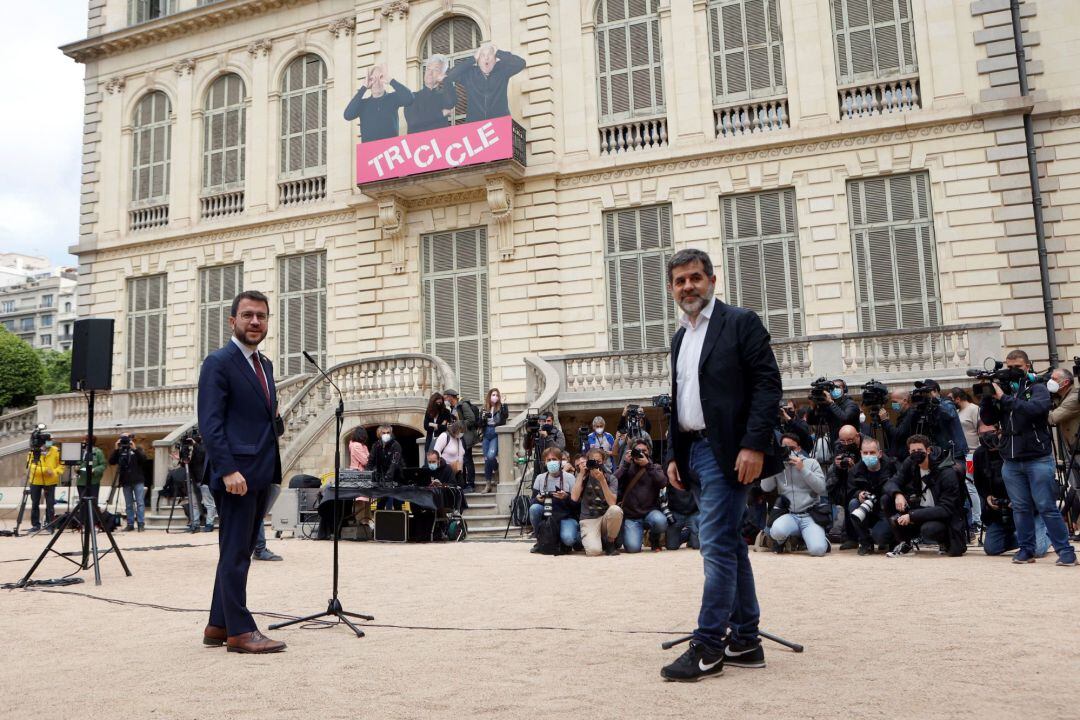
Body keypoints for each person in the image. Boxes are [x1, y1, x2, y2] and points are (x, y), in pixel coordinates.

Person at [660, 248, 783, 682]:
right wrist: (673, 453)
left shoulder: (740, 322)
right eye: (679, 281)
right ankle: (746, 640)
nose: (688, 286)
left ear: (712, 280)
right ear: (672, 288)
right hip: (692, 452)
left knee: (713, 544)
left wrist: (754, 445)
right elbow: (681, 402)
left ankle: (709, 645)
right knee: (728, 543)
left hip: (728, 451)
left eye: (695, 278)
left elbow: (768, 386)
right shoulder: (680, 336)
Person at [197, 289, 287, 653]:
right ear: (232, 320)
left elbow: (258, 418)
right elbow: (210, 423)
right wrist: (227, 470)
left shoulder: (263, 365)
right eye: (248, 315)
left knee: (239, 551)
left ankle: (218, 625)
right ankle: (240, 631)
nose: (255, 322)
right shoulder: (218, 362)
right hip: (237, 476)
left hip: (261, 472)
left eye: (261, 316)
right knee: (235, 553)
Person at [979, 349, 1076, 565]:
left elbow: (1036, 410)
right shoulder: (1002, 390)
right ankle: (1026, 549)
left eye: (1017, 367)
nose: (1012, 371)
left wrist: (1004, 398)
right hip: (1011, 460)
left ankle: (1065, 552)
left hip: (1038, 458)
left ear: (1027, 366)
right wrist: (987, 398)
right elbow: (988, 418)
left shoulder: (1038, 388)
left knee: (1046, 506)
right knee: (1020, 508)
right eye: (1009, 367)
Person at [883, 435, 967, 557]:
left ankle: (945, 542)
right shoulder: (910, 463)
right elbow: (891, 483)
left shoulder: (946, 471)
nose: (916, 454)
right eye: (913, 451)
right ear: (909, 452)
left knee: (929, 529)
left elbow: (946, 509)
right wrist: (898, 494)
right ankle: (905, 544)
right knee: (886, 499)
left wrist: (911, 516)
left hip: (941, 515)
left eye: (920, 451)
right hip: (919, 508)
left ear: (928, 450)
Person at [973, 424, 1050, 557]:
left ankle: (1049, 533)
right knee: (991, 548)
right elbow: (979, 482)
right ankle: (1022, 539)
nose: (986, 437)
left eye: (990, 432)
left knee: (1037, 550)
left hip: (1026, 508)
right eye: (981, 434)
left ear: (999, 431)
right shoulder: (979, 454)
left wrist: (1020, 500)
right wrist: (987, 496)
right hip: (1000, 511)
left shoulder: (1013, 449)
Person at [761, 434, 829, 556]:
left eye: (791, 448)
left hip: (810, 515)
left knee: (818, 550)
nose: (787, 451)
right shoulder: (778, 466)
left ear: (799, 448)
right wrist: (770, 466)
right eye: (783, 448)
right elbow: (765, 487)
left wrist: (803, 469)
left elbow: (821, 488)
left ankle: (819, 538)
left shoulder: (811, 463)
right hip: (790, 515)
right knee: (775, 532)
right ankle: (787, 539)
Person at [443, 42, 525, 123]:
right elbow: (450, 75)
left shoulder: (502, 70)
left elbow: (521, 63)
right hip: (475, 126)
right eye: (482, 55)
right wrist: (473, 59)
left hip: (500, 124)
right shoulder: (470, 74)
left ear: (495, 59)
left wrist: (498, 52)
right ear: (478, 60)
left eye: (490, 54)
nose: (486, 58)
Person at [615, 439, 668, 553]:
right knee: (633, 548)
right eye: (638, 451)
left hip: (650, 512)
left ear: (649, 452)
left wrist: (648, 466)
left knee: (661, 521)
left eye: (644, 450)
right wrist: (624, 465)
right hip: (632, 516)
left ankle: (654, 538)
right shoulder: (627, 467)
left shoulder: (655, 467)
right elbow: (614, 481)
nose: (641, 453)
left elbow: (663, 482)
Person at [845, 437, 896, 555]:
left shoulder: (891, 466)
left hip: (886, 509)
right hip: (867, 508)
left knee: (880, 537)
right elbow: (850, 491)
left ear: (880, 454)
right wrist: (859, 494)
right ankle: (865, 542)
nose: (868, 455)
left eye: (872, 452)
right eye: (865, 453)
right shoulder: (855, 470)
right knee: (853, 503)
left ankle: (893, 539)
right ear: (861, 454)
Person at [570, 447, 621, 556]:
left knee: (616, 510)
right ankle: (594, 539)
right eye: (592, 461)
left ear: (603, 462)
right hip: (589, 519)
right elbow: (574, 498)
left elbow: (612, 503)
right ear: (587, 461)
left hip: (605, 519)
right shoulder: (583, 477)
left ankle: (610, 542)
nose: (595, 464)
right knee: (594, 551)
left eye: (598, 461)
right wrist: (581, 474)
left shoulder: (611, 478)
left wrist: (602, 480)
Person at [343, 64, 414, 142]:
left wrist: (390, 80)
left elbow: (409, 98)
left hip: (390, 150)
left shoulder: (393, 98)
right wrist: (364, 87)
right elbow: (347, 115)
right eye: (373, 79)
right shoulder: (363, 104)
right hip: (369, 151)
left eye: (380, 77)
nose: (377, 82)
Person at [528, 447, 579, 552]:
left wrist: (566, 497)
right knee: (534, 508)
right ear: (545, 462)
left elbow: (577, 504)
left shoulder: (570, 478)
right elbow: (532, 501)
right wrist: (538, 500)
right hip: (547, 515)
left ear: (560, 461)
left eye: (554, 459)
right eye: (549, 460)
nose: (552, 462)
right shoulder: (540, 478)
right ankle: (540, 539)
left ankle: (571, 537)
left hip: (566, 516)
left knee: (568, 539)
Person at [949, 387, 983, 532]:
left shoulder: (974, 409)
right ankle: (970, 518)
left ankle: (978, 519)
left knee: (970, 485)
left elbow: (980, 430)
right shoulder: (957, 412)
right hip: (962, 454)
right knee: (964, 486)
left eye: (951, 399)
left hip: (973, 452)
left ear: (958, 398)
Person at [825, 424, 862, 548]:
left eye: (850, 440)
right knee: (847, 501)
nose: (846, 443)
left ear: (857, 436)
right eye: (843, 441)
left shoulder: (867, 443)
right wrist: (838, 465)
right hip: (845, 479)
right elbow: (836, 465)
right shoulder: (838, 445)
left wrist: (855, 466)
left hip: (864, 479)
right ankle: (851, 537)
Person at [404, 54, 458, 133]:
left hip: (439, 143)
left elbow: (450, 103)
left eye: (435, 70)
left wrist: (446, 79)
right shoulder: (412, 97)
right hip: (417, 144)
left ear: (442, 74)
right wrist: (440, 114)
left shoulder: (444, 95)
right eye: (428, 69)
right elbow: (413, 121)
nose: (430, 73)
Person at [805, 378, 860, 453]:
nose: (834, 389)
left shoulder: (851, 404)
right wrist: (812, 406)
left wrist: (831, 402)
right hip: (836, 446)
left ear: (844, 389)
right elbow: (811, 421)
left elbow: (845, 418)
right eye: (831, 388)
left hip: (851, 445)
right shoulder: (829, 406)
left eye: (837, 387)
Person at [109, 434, 148, 532]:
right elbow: (112, 462)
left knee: (140, 503)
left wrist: (134, 449)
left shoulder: (138, 449)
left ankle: (140, 523)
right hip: (125, 481)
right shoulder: (120, 450)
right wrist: (116, 449)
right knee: (129, 504)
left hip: (138, 480)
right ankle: (130, 524)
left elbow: (143, 460)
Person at [445, 389, 481, 489]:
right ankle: (463, 483)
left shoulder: (463, 405)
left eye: (446, 397)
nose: (445, 399)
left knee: (467, 460)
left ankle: (471, 484)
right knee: (461, 460)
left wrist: (458, 424)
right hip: (458, 437)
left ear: (451, 397)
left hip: (466, 436)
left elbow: (471, 419)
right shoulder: (453, 407)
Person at [27, 439, 61, 532]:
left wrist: (54, 472)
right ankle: (35, 525)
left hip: (50, 481)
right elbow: (32, 466)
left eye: (51, 440)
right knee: (35, 504)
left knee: (50, 504)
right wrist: (45, 470)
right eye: (48, 440)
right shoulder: (34, 451)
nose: (50, 442)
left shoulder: (56, 450)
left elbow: (61, 465)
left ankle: (49, 524)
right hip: (35, 481)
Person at [481, 387, 509, 493]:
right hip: (486, 433)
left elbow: (505, 417)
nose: (495, 397)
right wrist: (482, 417)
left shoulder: (501, 407)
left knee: (491, 456)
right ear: (489, 396)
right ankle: (488, 484)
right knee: (487, 459)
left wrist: (505, 404)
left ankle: (496, 469)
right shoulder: (484, 408)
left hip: (495, 432)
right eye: (493, 395)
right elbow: (480, 424)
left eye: (497, 395)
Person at [523, 410, 565, 479]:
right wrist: (529, 434)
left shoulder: (558, 433)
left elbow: (560, 449)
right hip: (538, 465)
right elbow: (526, 447)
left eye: (548, 421)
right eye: (544, 421)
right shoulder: (537, 433)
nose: (546, 423)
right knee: (536, 487)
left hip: (552, 464)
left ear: (552, 422)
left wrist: (547, 437)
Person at [665, 479, 700, 551]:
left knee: (697, 545)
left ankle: (692, 536)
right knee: (671, 547)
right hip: (676, 513)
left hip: (693, 513)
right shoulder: (670, 471)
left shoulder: (695, 472)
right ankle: (688, 534)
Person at [75, 436, 106, 504]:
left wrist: (95, 470)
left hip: (93, 481)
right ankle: (84, 514)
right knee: (82, 503)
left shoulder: (98, 452)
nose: (84, 442)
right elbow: (77, 463)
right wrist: (76, 468)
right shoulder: (81, 452)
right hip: (81, 482)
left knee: (93, 503)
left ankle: (93, 514)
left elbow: (103, 465)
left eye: (85, 440)